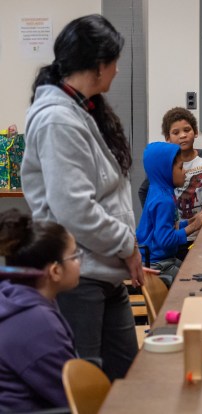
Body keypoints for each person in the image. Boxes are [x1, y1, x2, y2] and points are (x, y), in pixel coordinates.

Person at [21, 14, 145, 380]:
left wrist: (125, 251)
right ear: (96, 66)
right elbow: (74, 210)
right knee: (87, 380)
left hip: (103, 268)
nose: (117, 71)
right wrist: (128, 245)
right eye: (114, 63)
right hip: (80, 274)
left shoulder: (82, 108)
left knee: (126, 378)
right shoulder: (58, 119)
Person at [0, 209, 79, 412]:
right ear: (55, 271)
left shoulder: (14, 297)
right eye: (74, 256)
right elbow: (75, 397)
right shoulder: (37, 322)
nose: (79, 262)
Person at [138, 107, 202, 260]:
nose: (182, 135)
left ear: (194, 131)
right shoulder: (163, 199)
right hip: (168, 252)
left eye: (187, 130)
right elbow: (165, 240)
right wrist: (160, 218)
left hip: (192, 231)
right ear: (168, 138)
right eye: (176, 133)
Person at [137, 142, 202, 284]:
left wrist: (189, 222)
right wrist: (194, 227)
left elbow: (167, 228)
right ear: (165, 170)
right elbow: (165, 240)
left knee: (192, 270)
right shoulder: (163, 201)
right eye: (180, 167)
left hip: (160, 259)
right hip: (159, 264)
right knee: (190, 284)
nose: (185, 172)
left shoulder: (159, 191)